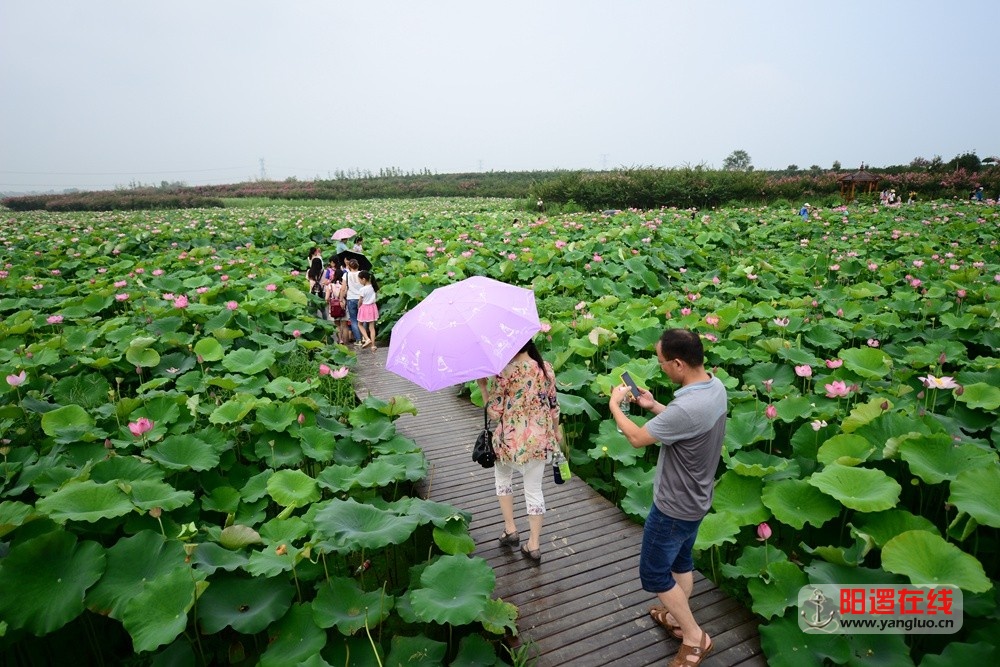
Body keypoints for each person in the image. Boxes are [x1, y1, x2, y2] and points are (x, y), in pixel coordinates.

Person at [609, 328, 727, 667]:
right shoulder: (714, 387)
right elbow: (687, 424)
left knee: (654, 573)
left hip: (673, 505)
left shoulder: (687, 406)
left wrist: (616, 406)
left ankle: (694, 637)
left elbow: (635, 439)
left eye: (662, 362)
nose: (659, 367)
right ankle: (676, 618)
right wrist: (652, 405)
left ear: (678, 363)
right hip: (698, 498)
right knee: (680, 562)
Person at [476, 339, 561, 563]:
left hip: (510, 441)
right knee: (534, 491)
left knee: (503, 479)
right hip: (539, 440)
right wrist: (556, 432)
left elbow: (494, 413)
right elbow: (554, 407)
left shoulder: (504, 372)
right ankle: (534, 544)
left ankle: (511, 529)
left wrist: (483, 388)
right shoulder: (546, 368)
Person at [341, 258, 364, 347]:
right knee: (363, 319)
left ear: (349, 266)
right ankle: (364, 338)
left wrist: (341, 299)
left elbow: (343, 288)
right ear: (358, 265)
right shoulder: (362, 274)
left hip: (351, 299)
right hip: (361, 298)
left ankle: (358, 340)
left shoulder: (346, 275)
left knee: (354, 320)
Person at [355, 270, 379, 350]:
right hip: (372, 307)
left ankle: (367, 339)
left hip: (365, 307)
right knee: (371, 327)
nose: (359, 281)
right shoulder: (373, 287)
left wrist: (358, 306)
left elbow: (360, 300)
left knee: (359, 324)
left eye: (359, 279)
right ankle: (373, 345)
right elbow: (375, 297)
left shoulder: (363, 289)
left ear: (364, 279)